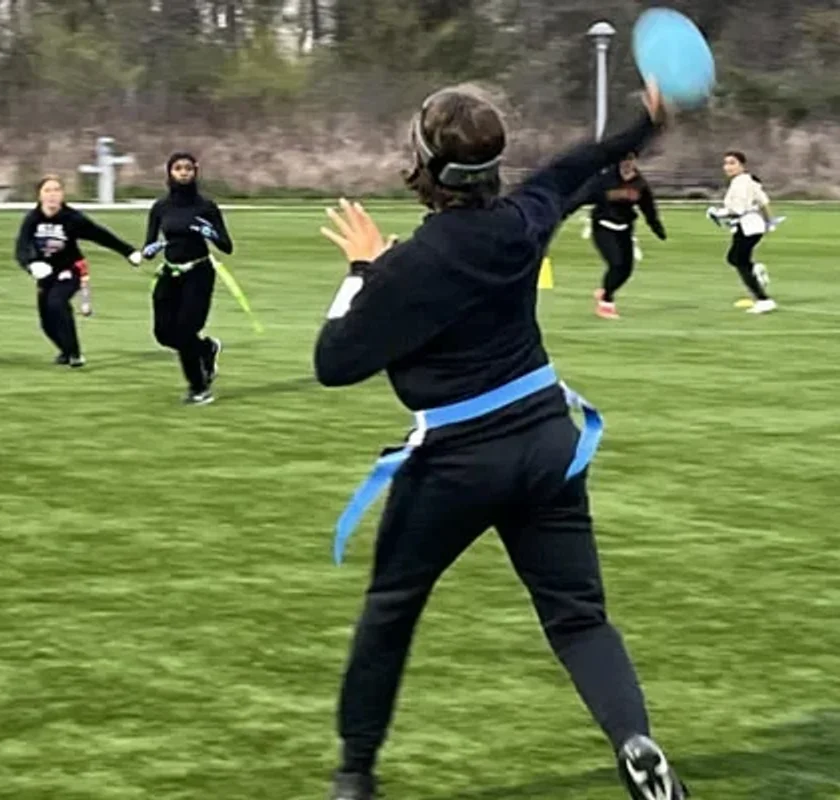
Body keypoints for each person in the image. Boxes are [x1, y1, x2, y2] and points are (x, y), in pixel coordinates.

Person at [314, 82, 687, 800]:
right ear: (495, 164)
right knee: (578, 620)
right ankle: (635, 741)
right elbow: (586, 162)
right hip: (548, 443)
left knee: (391, 609)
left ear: (421, 164)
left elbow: (334, 364)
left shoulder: (406, 269)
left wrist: (361, 269)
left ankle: (355, 777)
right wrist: (649, 120)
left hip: (456, 462)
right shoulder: (525, 217)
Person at [13, 175, 142, 367]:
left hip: (70, 270)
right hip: (46, 275)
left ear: (63, 194)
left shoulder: (71, 218)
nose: (52, 195)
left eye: (57, 190)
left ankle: (75, 353)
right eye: (47, 190)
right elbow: (21, 247)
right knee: (46, 321)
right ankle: (65, 350)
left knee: (57, 302)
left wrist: (128, 252)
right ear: (39, 195)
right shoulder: (32, 219)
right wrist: (30, 265)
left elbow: (100, 235)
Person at [141, 152, 234, 405]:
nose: (183, 173)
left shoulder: (206, 207)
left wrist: (209, 232)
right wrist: (150, 249)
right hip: (170, 273)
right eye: (178, 168)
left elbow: (227, 246)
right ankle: (205, 349)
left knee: (184, 330)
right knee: (163, 333)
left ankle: (199, 387)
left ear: (196, 171)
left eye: (188, 169)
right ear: (169, 172)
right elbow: (148, 246)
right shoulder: (161, 207)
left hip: (199, 274)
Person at [566, 153, 667, 319]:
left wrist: (656, 228)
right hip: (603, 226)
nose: (627, 163)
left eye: (631, 160)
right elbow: (581, 197)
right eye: (624, 160)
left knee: (626, 269)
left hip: (625, 228)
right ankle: (606, 303)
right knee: (616, 263)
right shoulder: (605, 180)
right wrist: (562, 212)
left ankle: (606, 290)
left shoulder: (639, 183)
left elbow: (648, 207)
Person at [707, 151, 777, 314]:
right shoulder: (749, 180)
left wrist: (718, 213)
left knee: (738, 260)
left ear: (741, 165)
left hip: (747, 227)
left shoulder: (741, 183)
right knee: (735, 258)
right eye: (726, 163)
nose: (728, 167)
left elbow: (738, 209)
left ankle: (764, 299)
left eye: (732, 163)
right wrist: (769, 222)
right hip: (753, 227)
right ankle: (755, 270)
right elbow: (764, 202)